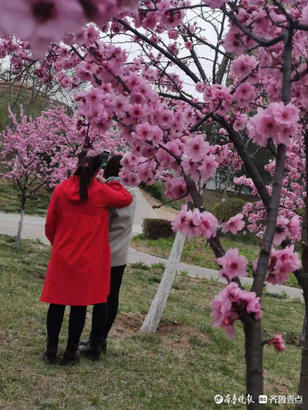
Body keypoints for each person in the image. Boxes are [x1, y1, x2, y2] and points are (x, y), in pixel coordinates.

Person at [40, 152, 132, 365]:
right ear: (97, 170)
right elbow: (125, 199)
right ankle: (71, 352)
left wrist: (59, 246)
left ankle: (51, 349)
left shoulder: (61, 189)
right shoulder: (101, 191)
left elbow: (49, 226)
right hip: (87, 260)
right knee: (78, 307)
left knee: (57, 304)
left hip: (62, 257)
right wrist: (107, 182)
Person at [79, 154, 136, 360]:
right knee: (112, 298)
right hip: (120, 255)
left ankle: (94, 345)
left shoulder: (110, 194)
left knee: (99, 299)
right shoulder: (132, 193)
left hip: (104, 254)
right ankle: (101, 339)